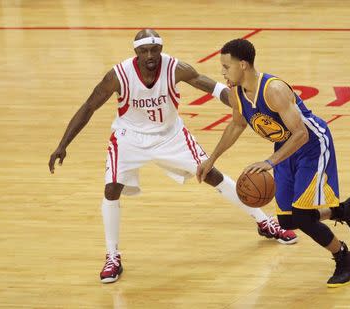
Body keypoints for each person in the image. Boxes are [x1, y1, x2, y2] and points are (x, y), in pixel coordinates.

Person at [48, 30, 297, 284]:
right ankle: (112, 255)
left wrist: (243, 102)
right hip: (129, 137)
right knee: (111, 188)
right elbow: (89, 106)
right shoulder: (118, 75)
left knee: (211, 174)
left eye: (154, 50)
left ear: (160, 49)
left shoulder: (175, 68)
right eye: (144, 51)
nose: (150, 56)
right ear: (136, 53)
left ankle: (265, 222)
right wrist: (63, 144)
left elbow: (212, 87)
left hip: (170, 135)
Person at [197, 38, 350, 287]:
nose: (222, 72)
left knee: (302, 215)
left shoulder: (273, 90)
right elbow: (237, 124)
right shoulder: (236, 93)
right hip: (286, 148)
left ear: (242, 65)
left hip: (312, 145)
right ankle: (343, 210)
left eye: (226, 66)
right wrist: (211, 160)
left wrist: (270, 161)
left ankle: (345, 258)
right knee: (288, 220)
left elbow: (301, 134)